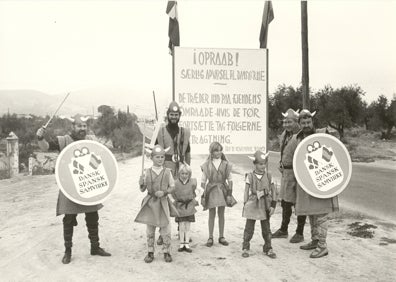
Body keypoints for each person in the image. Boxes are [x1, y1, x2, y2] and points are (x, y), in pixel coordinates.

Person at [36, 114, 111, 264]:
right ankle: (68, 251)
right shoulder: (63, 140)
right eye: (79, 126)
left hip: (87, 184)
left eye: (84, 126)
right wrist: (40, 138)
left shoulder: (91, 141)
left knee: (92, 217)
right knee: (69, 219)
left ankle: (95, 247)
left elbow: (101, 157)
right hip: (69, 186)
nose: (82, 128)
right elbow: (46, 147)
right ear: (73, 127)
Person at [289, 109, 339, 258]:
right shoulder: (296, 138)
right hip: (306, 181)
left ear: (312, 122)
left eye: (308, 122)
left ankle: (322, 246)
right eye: (303, 123)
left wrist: (330, 133)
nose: (306, 125)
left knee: (321, 213)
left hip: (321, 181)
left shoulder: (321, 134)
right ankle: (315, 240)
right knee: (311, 212)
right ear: (299, 124)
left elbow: (336, 143)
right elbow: (294, 158)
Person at [156, 101, 191, 245]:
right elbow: (158, 153)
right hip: (167, 170)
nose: (174, 117)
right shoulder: (162, 131)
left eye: (176, 114)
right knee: (163, 202)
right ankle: (161, 233)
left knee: (181, 200)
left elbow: (187, 152)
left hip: (181, 170)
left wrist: (188, 171)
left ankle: (181, 231)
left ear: (179, 116)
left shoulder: (185, 132)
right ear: (168, 115)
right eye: (172, 114)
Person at [134, 144, 177, 263]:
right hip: (150, 202)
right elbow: (142, 189)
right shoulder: (146, 172)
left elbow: (172, 187)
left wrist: (164, 192)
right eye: (157, 157)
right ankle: (150, 251)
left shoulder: (168, 172)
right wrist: (141, 183)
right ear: (151, 158)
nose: (160, 159)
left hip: (163, 202)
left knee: (166, 227)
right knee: (150, 227)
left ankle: (167, 251)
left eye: (162, 157)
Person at [272, 108, 307, 243]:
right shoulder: (285, 134)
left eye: (289, 122)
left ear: (296, 122)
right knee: (285, 202)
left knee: (299, 202)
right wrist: (281, 163)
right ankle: (283, 230)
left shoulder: (301, 136)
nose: (286, 124)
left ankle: (299, 232)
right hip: (286, 174)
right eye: (285, 122)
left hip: (298, 174)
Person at [242, 151, 277, 259]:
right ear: (255, 164)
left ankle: (268, 247)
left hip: (265, 203)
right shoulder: (250, 176)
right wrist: (245, 204)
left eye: (264, 163)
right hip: (253, 203)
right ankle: (246, 247)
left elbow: (273, 190)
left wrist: (273, 205)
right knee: (249, 227)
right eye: (260, 164)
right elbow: (246, 191)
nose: (263, 166)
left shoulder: (269, 175)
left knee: (266, 228)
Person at [201, 142, 235, 247]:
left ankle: (221, 236)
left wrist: (229, 193)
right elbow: (203, 181)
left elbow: (230, 180)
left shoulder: (226, 164)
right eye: (216, 150)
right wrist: (203, 194)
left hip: (222, 189)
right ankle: (210, 237)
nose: (219, 152)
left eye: (220, 150)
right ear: (211, 151)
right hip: (211, 190)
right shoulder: (207, 164)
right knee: (211, 213)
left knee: (221, 213)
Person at [172, 164, 199, 253]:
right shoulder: (175, 183)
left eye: (186, 174)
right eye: (182, 173)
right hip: (180, 207)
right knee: (181, 226)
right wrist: (173, 201)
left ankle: (186, 244)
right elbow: (170, 193)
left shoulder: (192, 182)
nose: (184, 175)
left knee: (187, 226)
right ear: (179, 174)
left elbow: (200, 191)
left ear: (189, 174)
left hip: (189, 206)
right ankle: (181, 243)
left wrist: (196, 199)